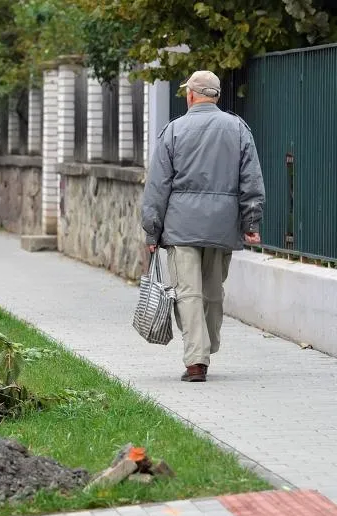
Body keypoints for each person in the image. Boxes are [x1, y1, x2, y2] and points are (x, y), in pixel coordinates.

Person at [140, 70, 266, 383]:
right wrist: (251, 220)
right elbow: (251, 179)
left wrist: (151, 231)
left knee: (188, 293)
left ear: (192, 95)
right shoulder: (237, 129)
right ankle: (207, 346)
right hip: (222, 226)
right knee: (212, 291)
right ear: (216, 96)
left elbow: (157, 186)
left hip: (181, 226)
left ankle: (197, 359)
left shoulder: (174, 131)